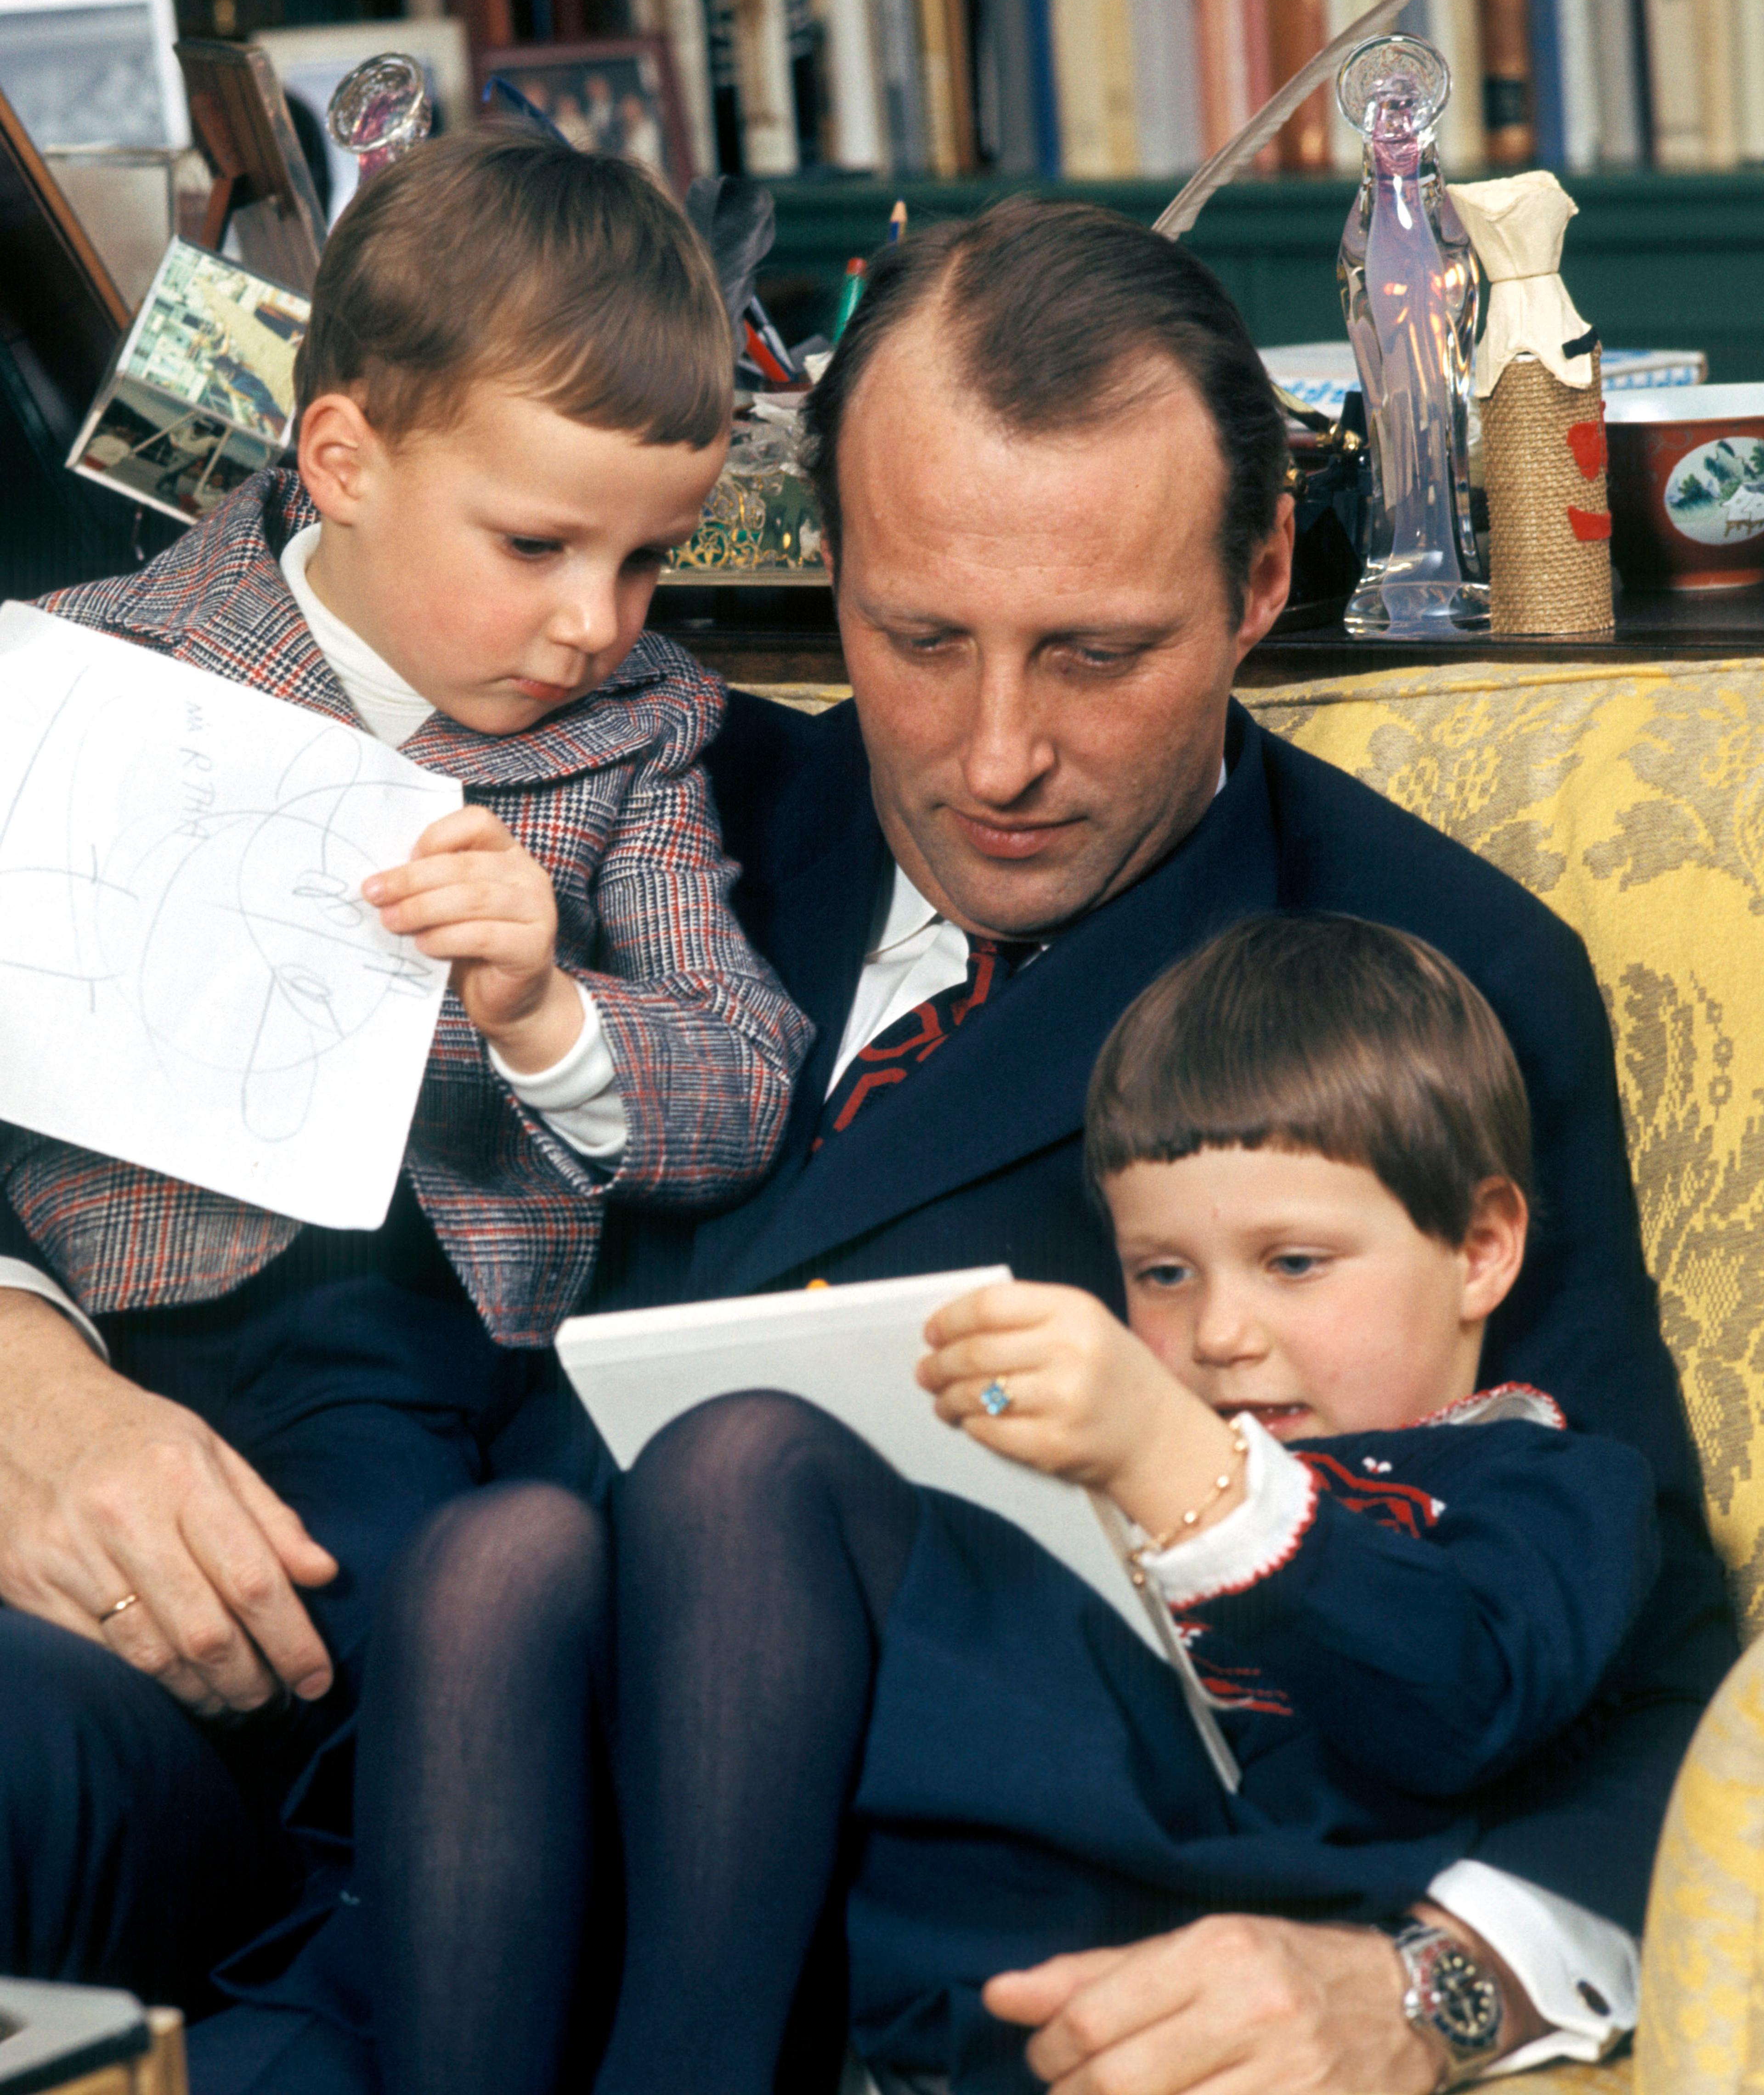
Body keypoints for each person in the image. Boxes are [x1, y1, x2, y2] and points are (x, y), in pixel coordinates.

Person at [578, 195, 1731, 2087]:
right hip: (420, 1794)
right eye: (919, 636)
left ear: (1264, 575)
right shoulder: (641, 800)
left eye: (1098, 655)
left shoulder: (1426, 971)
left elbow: (1639, 1643)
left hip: (927, 1938)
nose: (995, 753)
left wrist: (1426, 1983)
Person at [0, 122, 809, 2039]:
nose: (594, 619)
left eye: (647, 558)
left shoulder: (634, 738)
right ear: (345, 457)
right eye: (537, 546)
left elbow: (743, 1073)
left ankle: (363, 1944)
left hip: (419, 1353)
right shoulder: (87, 675)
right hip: (107, 1337)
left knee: (420, 1598)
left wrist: (551, 1010)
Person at [582, 914, 1668, 2095]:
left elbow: (1461, 1704)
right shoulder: (1112, 1469)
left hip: (1192, 1939)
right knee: (705, 1480)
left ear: (1480, 1249)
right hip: (927, 1939)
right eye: (1164, 1273)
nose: (1220, 1335)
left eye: (1294, 1262)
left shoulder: (1551, 1484)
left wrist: (1182, 1470)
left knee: (754, 1467)